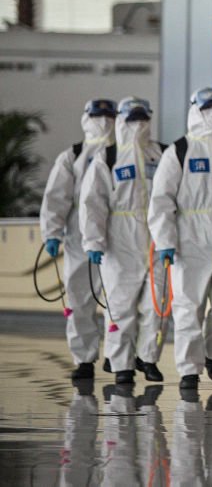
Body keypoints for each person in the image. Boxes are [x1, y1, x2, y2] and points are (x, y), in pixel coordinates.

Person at [148, 87, 212, 390]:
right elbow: (161, 199)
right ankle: (189, 370)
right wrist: (165, 240)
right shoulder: (179, 150)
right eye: (208, 106)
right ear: (195, 110)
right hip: (190, 237)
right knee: (189, 305)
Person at [79, 97, 169, 386]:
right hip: (120, 239)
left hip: (157, 237)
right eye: (132, 119)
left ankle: (148, 357)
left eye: (143, 118)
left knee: (157, 304)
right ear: (121, 120)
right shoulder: (108, 157)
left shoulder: (162, 154)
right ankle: (121, 365)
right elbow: (92, 202)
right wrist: (93, 241)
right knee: (120, 307)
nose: (138, 124)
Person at [40, 99, 117, 380]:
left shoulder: (124, 154)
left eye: (109, 115)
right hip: (78, 240)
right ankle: (84, 359)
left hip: (118, 240)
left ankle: (116, 355)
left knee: (118, 300)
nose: (104, 120)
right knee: (79, 299)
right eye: (99, 115)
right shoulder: (72, 156)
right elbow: (56, 197)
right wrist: (52, 232)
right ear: (87, 118)